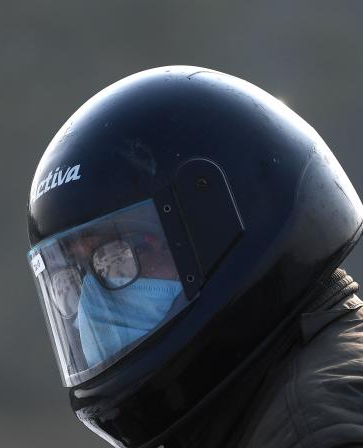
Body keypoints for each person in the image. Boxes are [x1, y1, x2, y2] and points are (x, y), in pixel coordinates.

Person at [25, 66, 363, 448]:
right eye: (72, 278)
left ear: (224, 232)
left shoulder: (320, 430)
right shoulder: (251, 404)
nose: (90, 304)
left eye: (121, 256)